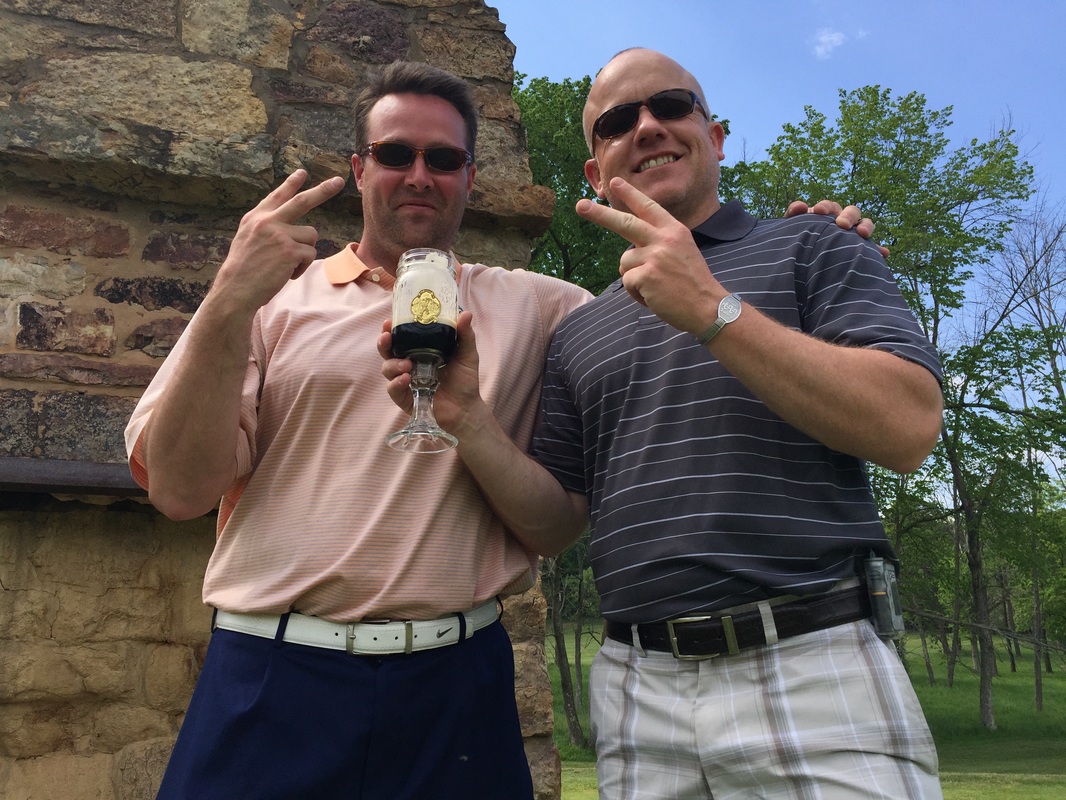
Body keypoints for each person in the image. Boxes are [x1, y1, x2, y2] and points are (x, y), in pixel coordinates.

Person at [383, 48, 945, 799]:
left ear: (715, 136)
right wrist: (469, 422)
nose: (647, 127)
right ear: (596, 173)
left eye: (671, 107)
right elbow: (555, 527)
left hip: (814, 660)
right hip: (636, 685)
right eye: (618, 121)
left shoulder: (816, 243)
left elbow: (908, 426)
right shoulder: (580, 330)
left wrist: (712, 309)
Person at [124, 61, 593, 799]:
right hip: (274, 676)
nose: (419, 175)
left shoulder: (540, 308)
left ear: (470, 177)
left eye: (444, 158)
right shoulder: (269, 301)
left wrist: (790, 247)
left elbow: (667, 324)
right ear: (359, 167)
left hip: (457, 686)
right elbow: (179, 492)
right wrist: (227, 296)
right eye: (395, 153)